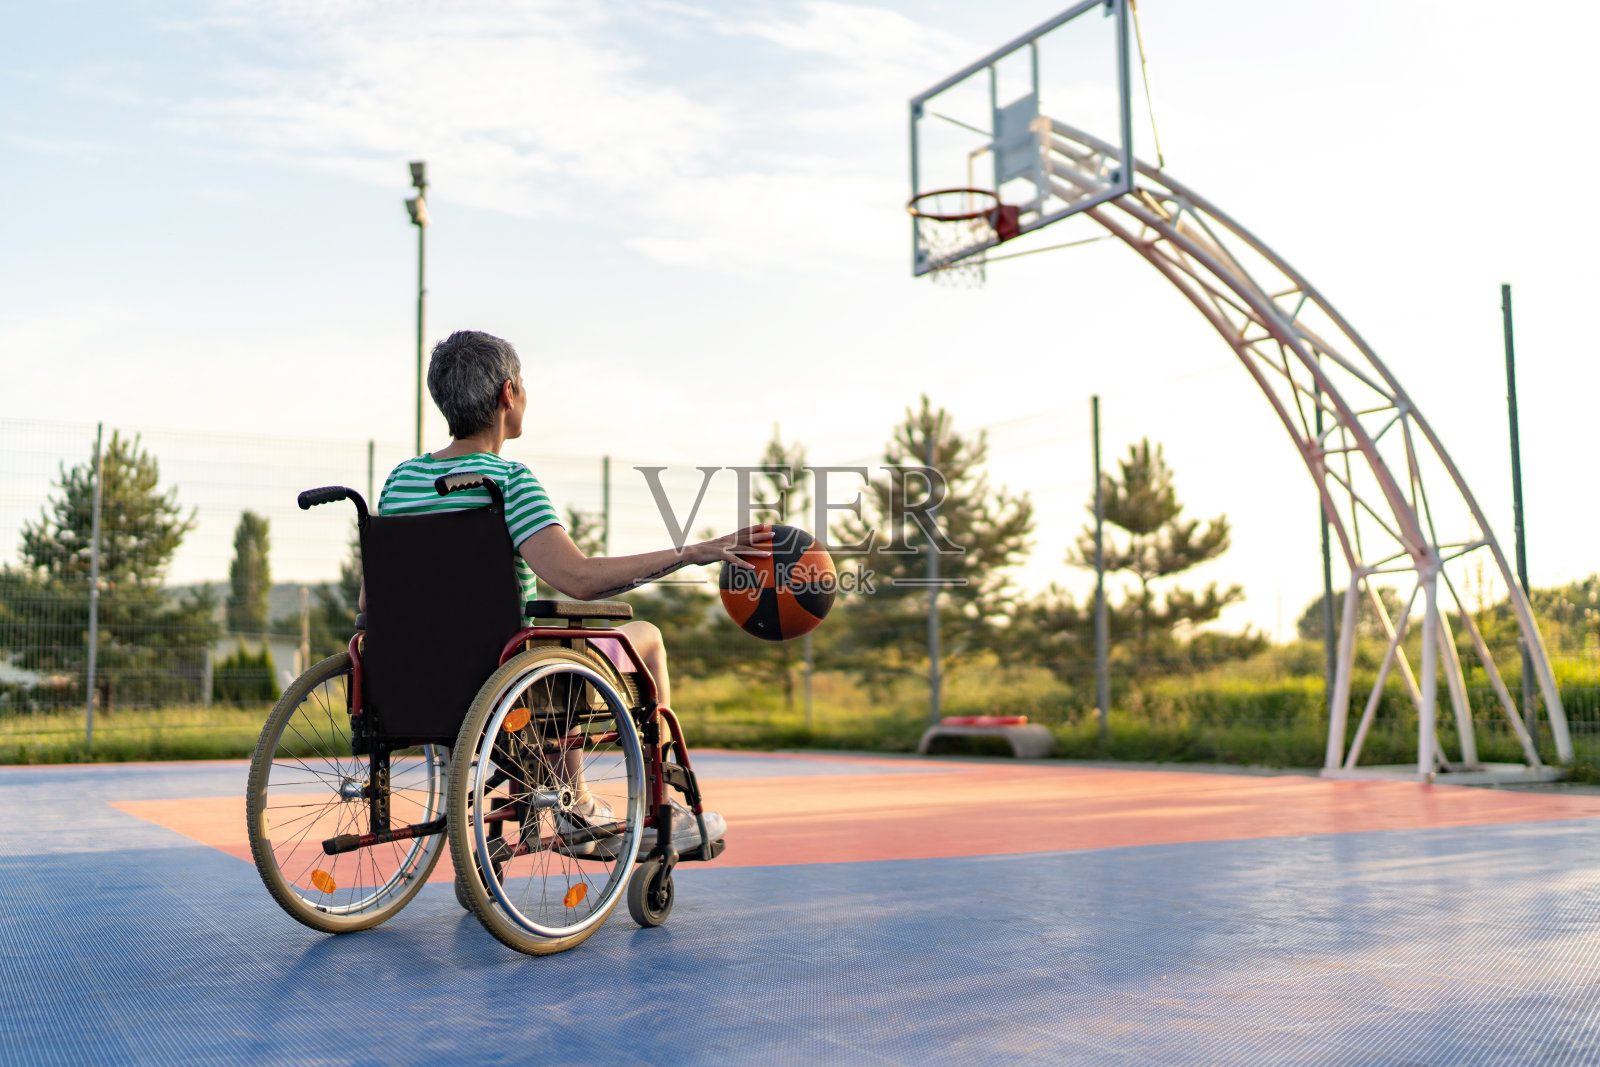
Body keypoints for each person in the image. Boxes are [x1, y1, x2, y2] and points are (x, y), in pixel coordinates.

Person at [363, 329, 768, 857]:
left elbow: (372, 604)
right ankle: (655, 809)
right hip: (510, 683)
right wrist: (691, 552)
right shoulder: (507, 482)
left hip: (415, 684)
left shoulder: (401, 482)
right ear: (508, 394)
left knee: (548, 649)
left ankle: (568, 800)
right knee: (640, 638)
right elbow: (576, 579)